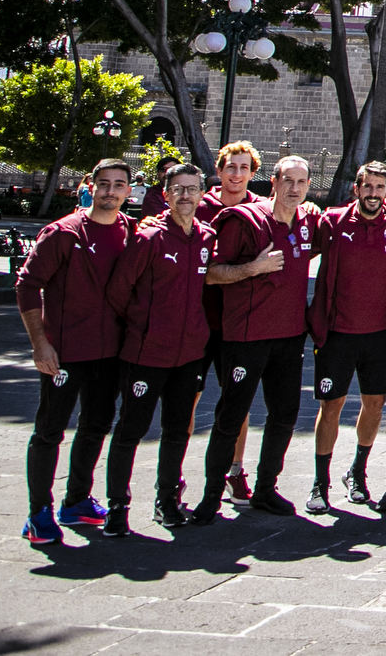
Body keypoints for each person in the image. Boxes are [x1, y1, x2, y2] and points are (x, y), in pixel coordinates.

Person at [192, 154, 317, 523]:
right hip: (246, 337)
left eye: (301, 182)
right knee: (231, 415)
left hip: (290, 338)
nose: (294, 189)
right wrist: (253, 268)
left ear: (309, 187)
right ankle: (212, 495)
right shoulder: (242, 220)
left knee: (285, 415)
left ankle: (266, 489)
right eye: (287, 181)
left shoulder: (309, 222)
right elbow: (211, 274)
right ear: (273, 182)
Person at [17, 158, 134, 544]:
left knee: (97, 426)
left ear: (129, 192)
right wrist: (40, 344)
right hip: (64, 353)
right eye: (104, 183)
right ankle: (38, 513)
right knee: (50, 431)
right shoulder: (63, 233)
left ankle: (77, 501)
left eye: (119, 184)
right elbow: (27, 286)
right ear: (90, 186)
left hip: (110, 353)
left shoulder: (131, 232)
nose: (111, 191)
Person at [102, 162, 214, 535]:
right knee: (130, 430)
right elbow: (119, 291)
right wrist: (142, 327)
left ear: (202, 194)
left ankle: (166, 500)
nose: (186, 195)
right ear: (165, 195)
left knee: (177, 431)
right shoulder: (148, 238)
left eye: (193, 188)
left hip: (189, 355)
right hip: (146, 354)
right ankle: (117, 506)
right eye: (178, 189)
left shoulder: (205, 237)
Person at [301, 162, 386, 514]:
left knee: (375, 404)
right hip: (337, 333)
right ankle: (320, 481)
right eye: (368, 186)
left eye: (380, 187)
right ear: (356, 189)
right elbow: (299, 242)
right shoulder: (331, 222)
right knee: (331, 406)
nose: (374, 193)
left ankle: (357, 473)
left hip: (379, 334)